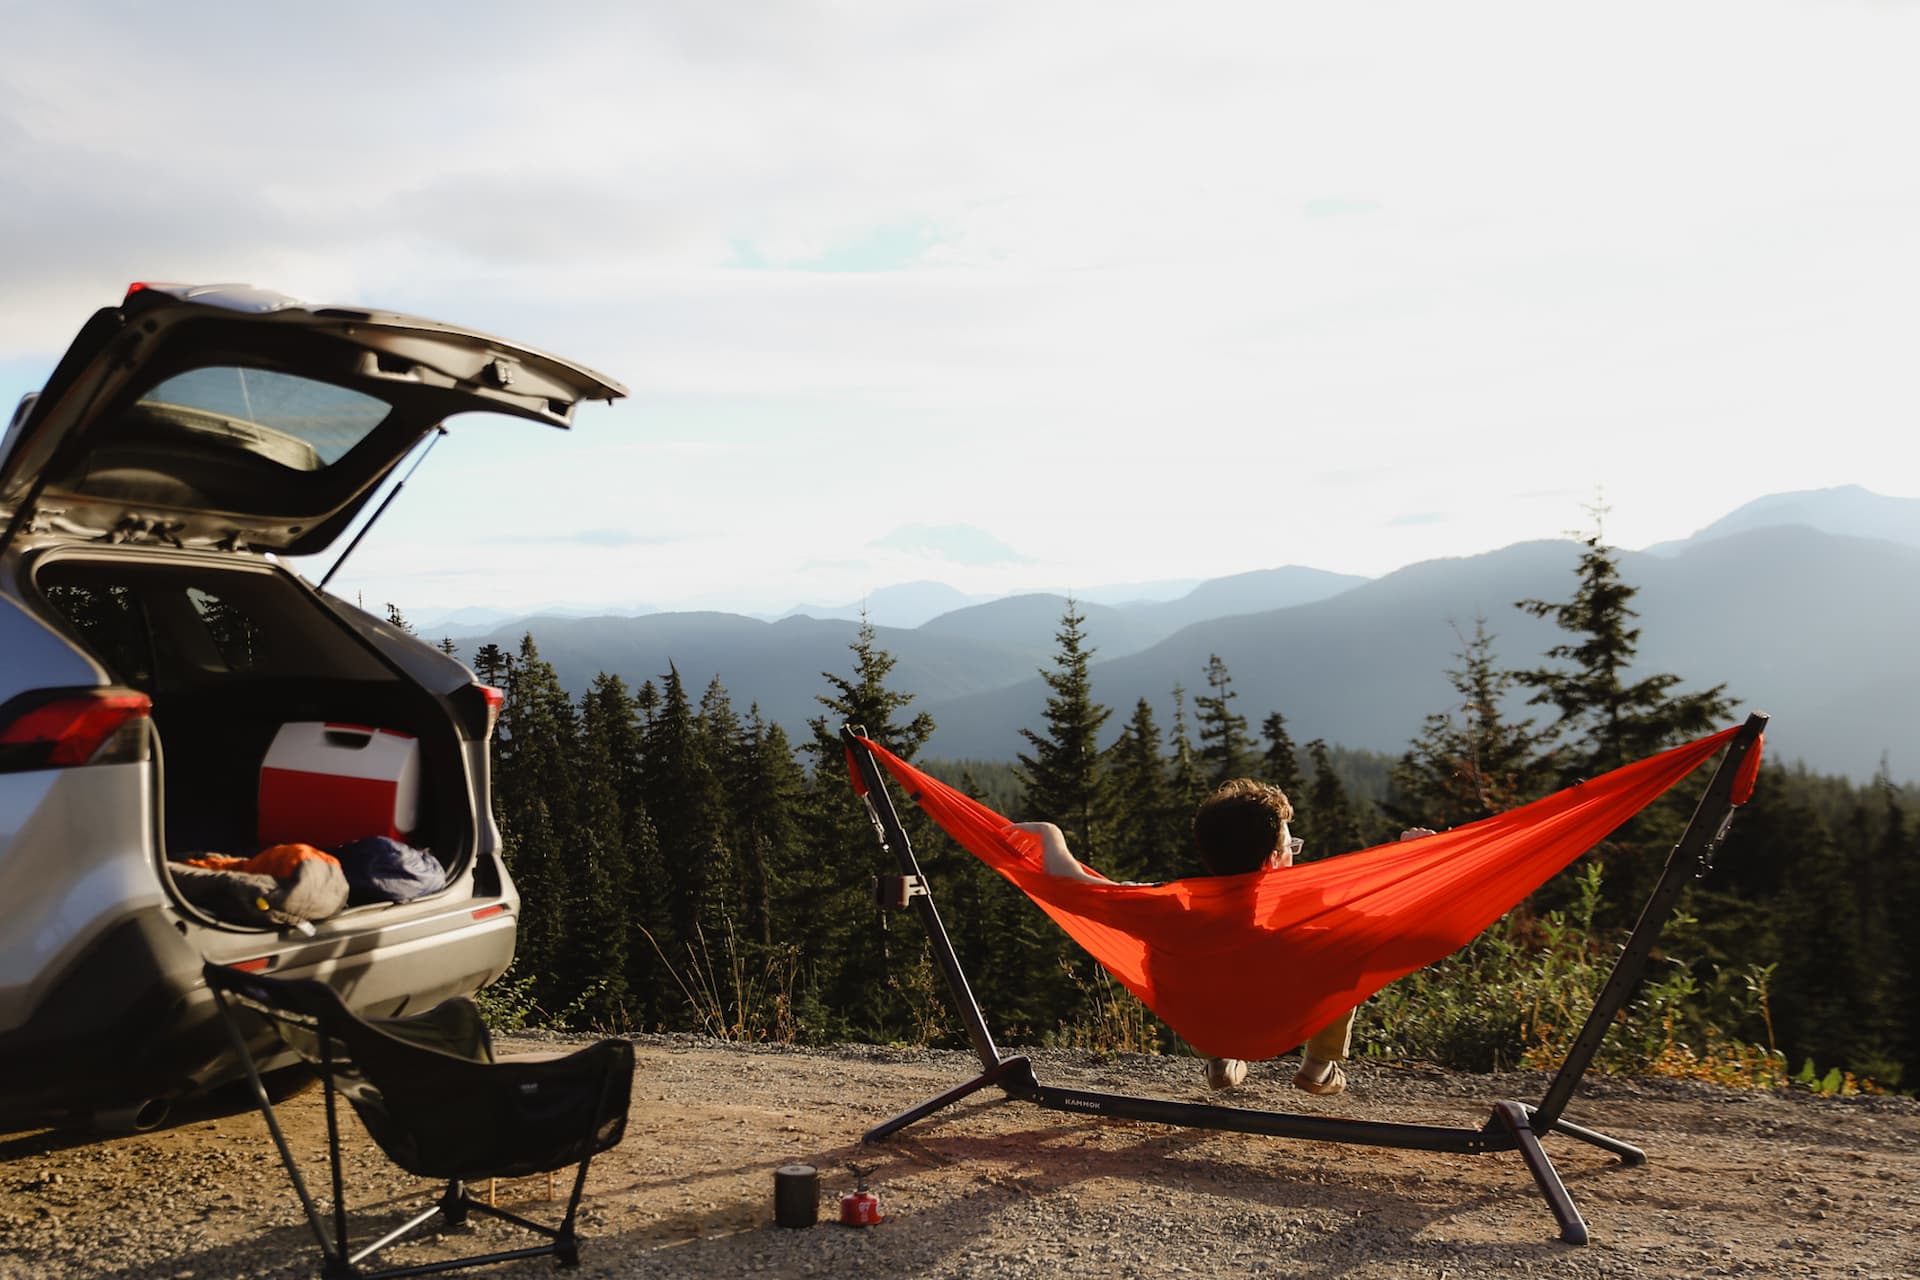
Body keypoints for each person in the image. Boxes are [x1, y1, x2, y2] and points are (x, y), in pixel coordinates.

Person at [1015, 778, 1432, 1097]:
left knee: (1177, 957)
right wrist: (1422, 860)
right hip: (1277, 1031)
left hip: (1208, 1028)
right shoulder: (1312, 923)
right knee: (1349, 952)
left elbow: (1072, 883)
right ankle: (1319, 1065)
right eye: (1290, 847)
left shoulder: (1169, 908)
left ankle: (1220, 1057)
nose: (1294, 853)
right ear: (1273, 861)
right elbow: (1402, 920)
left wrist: (1049, 832)